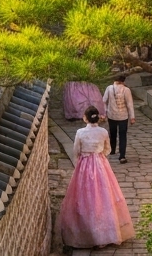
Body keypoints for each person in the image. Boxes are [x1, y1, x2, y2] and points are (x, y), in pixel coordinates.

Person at [58, 107, 134, 249]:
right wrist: (99, 155)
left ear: (85, 118)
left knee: (85, 196)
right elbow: (108, 149)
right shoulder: (103, 132)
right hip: (100, 164)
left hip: (85, 165)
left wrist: (80, 161)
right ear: (97, 118)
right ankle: (107, 232)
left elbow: (76, 151)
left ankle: (88, 233)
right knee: (104, 195)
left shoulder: (80, 132)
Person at [102, 74, 136, 163]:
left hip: (111, 115)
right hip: (123, 116)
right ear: (123, 81)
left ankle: (112, 150)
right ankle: (122, 156)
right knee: (122, 136)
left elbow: (104, 101)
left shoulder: (109, 88)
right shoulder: (126, 90)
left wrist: (105, 112)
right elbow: (130, 104)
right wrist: (132, 117)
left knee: (112, 133)